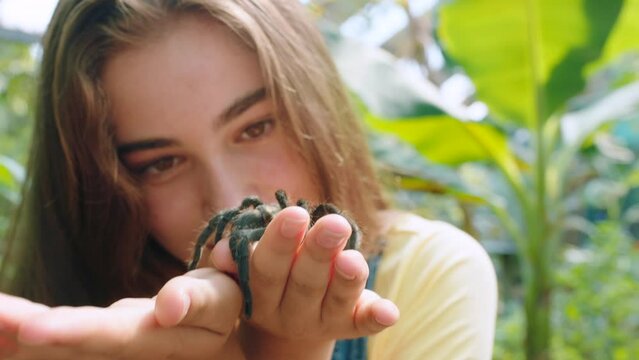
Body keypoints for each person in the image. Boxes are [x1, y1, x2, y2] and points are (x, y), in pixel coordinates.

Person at [0, 0, 497, 359]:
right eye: (160, 163)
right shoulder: (79, 319)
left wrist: (290, 348)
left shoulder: (426, 271)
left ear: (315, 109)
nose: (227, 195)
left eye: (255, 128)